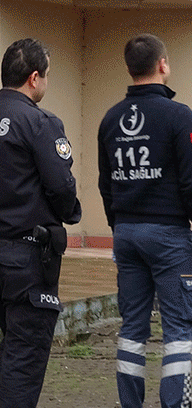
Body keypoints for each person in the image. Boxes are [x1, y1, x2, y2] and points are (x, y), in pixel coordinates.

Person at [98, 33, 192, 408]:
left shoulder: (110, 119)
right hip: (169, 237)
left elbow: (106, 184)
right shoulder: (180, 116)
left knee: (132, 329)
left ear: (130, 68)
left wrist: (117, 231)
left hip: (127, 234)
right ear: (163, 65)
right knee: (177, 329)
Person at [0, 38, 81, 408]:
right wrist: (70, 211)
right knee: (22, 361)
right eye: (47, 75)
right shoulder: (39, 122)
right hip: (24, 259)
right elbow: (61, 188)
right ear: (34, 78)